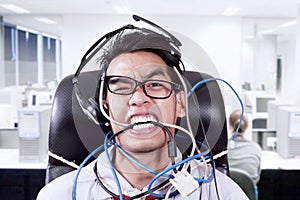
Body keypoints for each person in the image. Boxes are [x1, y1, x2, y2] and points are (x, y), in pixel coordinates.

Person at [37, 15, 248, 200]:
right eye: (122, 87)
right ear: (104, 108)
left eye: (155, 84)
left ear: (180, 104)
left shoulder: (223, 193)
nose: (138, 99)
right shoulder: (59, 195)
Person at [228, 109, 262, 185]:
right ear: (247, 126)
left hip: (225, 194)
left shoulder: (222, 149)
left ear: (229, 125)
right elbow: (257, 177)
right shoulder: (256, 148)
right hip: (248, 194)